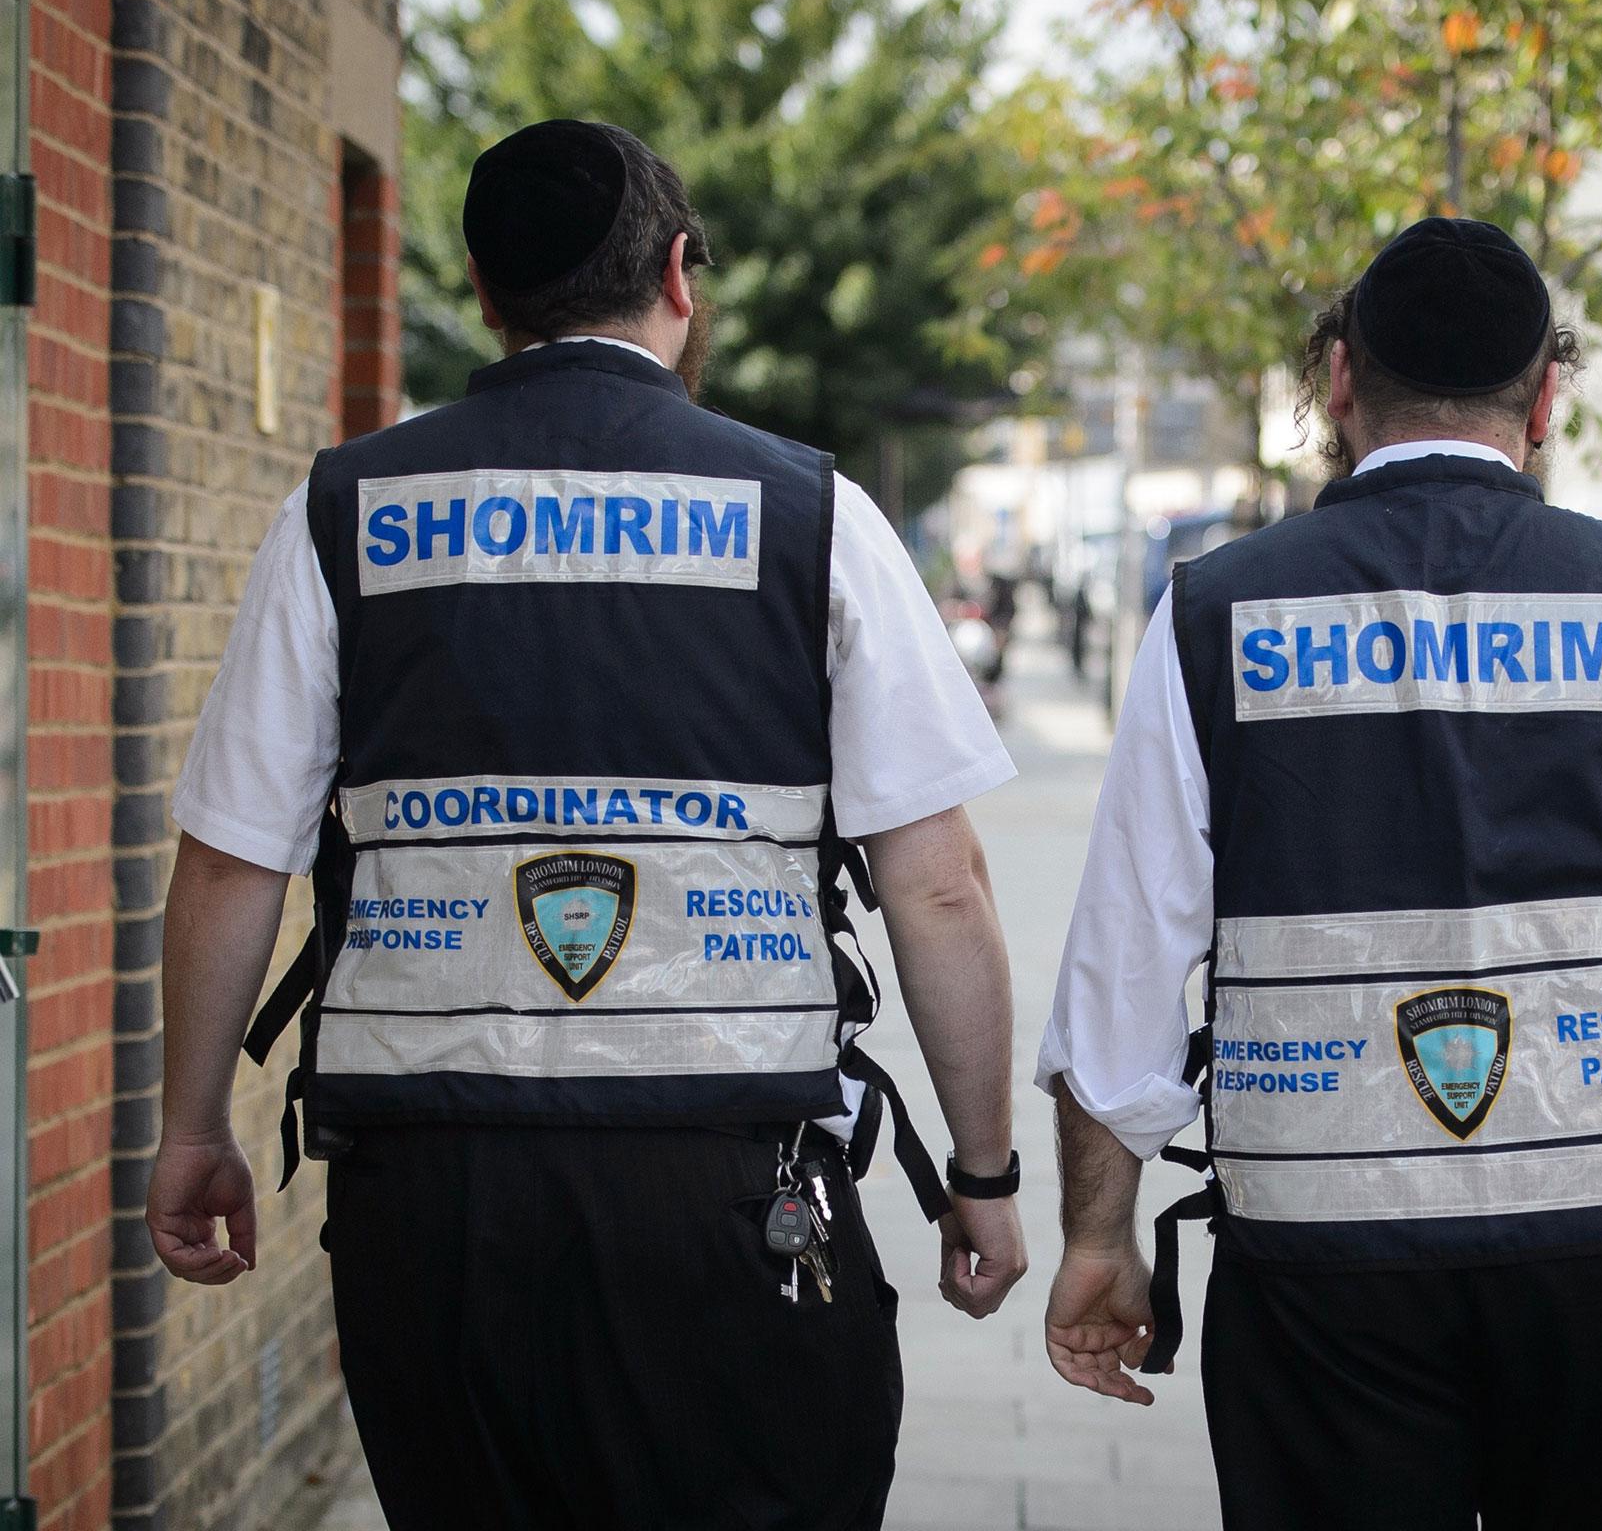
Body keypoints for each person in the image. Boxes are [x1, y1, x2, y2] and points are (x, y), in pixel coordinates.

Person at [145, 118, 1027, 1530]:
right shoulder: (811, 516)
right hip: (731, 1189)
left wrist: (194, 1125)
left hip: (430, 1192)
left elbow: (233, 857)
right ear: (680, 276)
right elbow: (941, 890)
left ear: (487, 293)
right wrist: (981, 1175)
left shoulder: (341, 512)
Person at [1036, 216, 1602, 1530]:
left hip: (1323, 1260)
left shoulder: (1216, 617)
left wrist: (1099, 1240)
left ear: (1338, 388)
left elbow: (1125, 965)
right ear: (1546, 398)